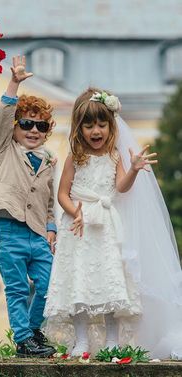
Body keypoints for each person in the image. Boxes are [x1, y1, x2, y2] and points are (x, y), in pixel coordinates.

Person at [44, 88, 182, 359]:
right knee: (79, 280)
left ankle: (110, 341)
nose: (96, 131)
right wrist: (75, 211)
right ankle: (81, 340)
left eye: (101, 124)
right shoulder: (75, 158)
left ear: (111, 125)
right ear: (79, 128)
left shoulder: (115, 157)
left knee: (107, 280)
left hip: (106, 226)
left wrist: (132, 169)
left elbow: (122, 187)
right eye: (89, 125)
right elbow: (62, 193)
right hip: (78, 227)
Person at [0, 56, 57, 358]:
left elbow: (51, 203)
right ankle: (23, 340)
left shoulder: (49, 162)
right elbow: (3, 115)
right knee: (17, 289)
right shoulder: (5, 148)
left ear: (46, 130)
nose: (33, 130)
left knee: (48, 284)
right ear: (15, 127)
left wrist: (52, 229)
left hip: (39, 235)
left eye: (40, 125)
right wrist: (14, 82)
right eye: (26, 123)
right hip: (10, 229)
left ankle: (33, 330)